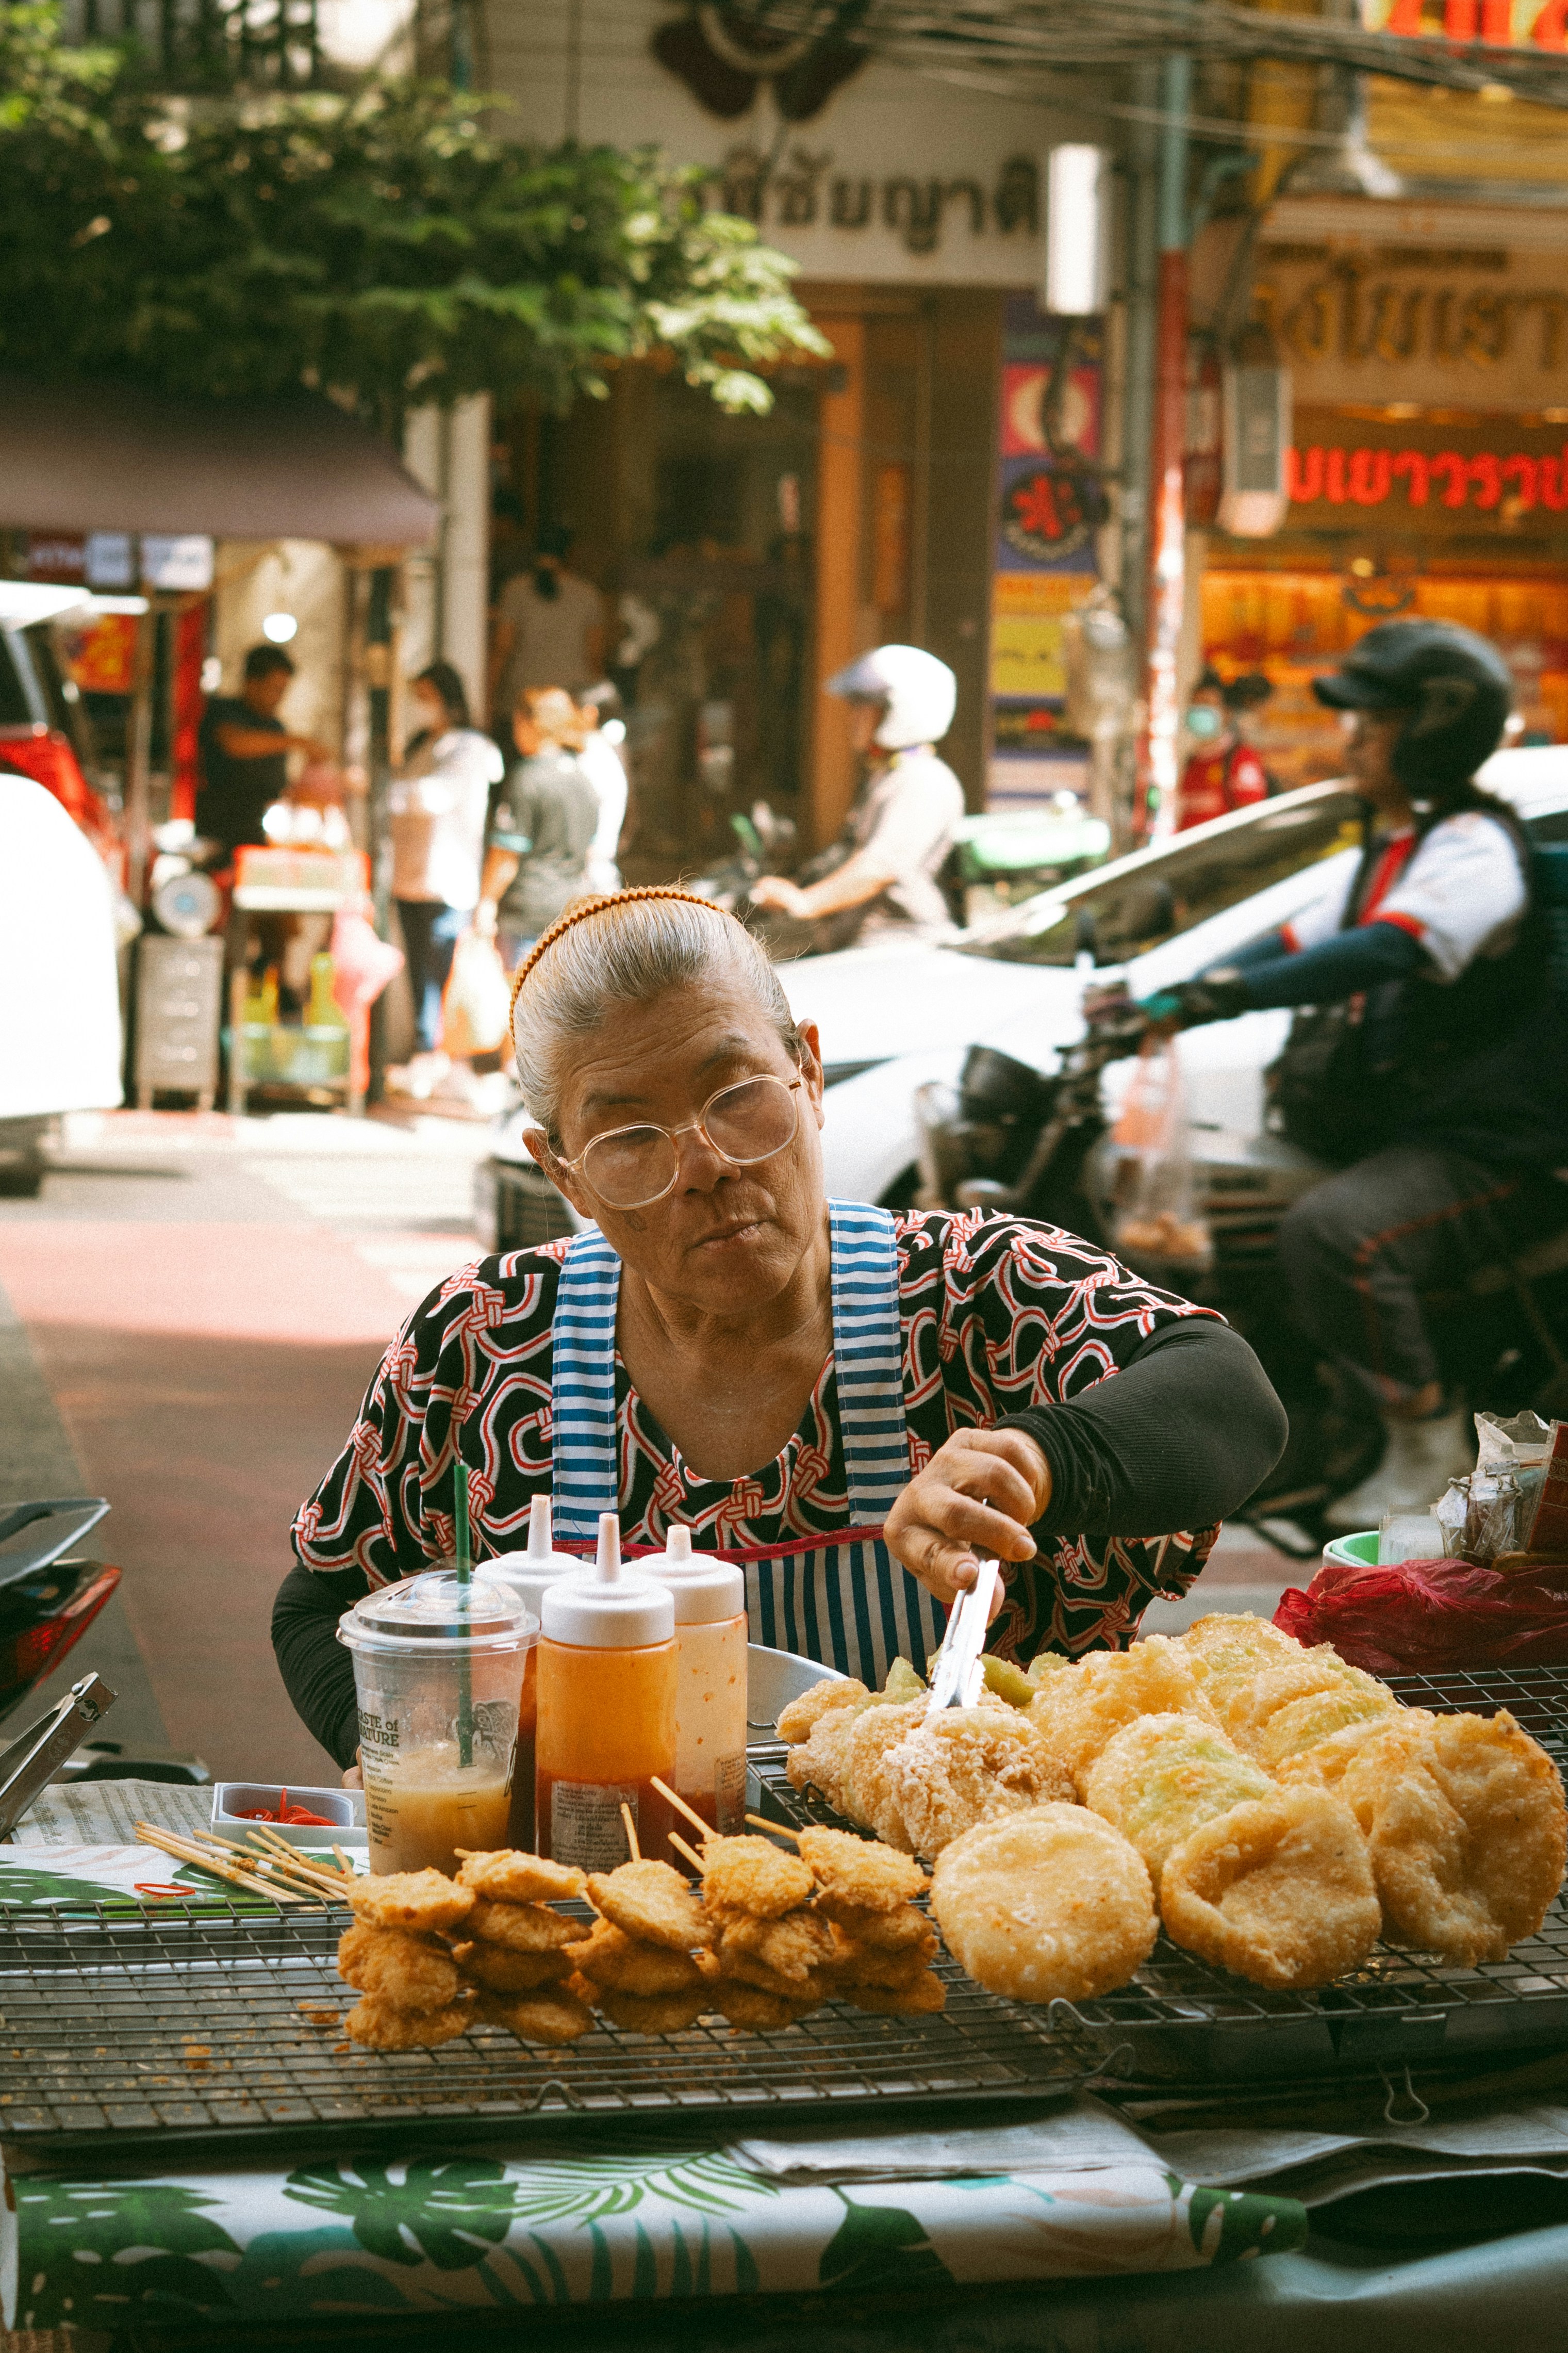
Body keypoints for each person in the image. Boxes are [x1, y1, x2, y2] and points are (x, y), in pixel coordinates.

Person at [275, 888, 1288, 1769]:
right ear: (562, 1170)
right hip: (581, 1922)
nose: (708, 1164)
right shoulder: (486, 1343)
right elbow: (323, 1604)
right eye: (630, 1136)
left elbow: (1224, 1391)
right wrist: (412, 1760)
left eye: (736, 1094)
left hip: (966, 1926)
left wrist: (1036, 1456)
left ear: (806, 1071)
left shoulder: (970, 1295)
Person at [1134, 619, 1568, 1525]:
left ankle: (1426, 1437)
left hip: (1486, 1145)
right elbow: (1296, 935)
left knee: (1334, 1231)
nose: (1352, 739)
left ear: (1432, 730)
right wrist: (1165, 989)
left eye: (1373, 722)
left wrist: (1220, 998)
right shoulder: (1393, 848)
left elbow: (1379, 949)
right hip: (1414, 1129)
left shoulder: (1475, 849)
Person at [750, 644, 965, 947]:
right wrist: (797, 884)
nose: (853, 718)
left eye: (863, 706)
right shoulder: (888, 776)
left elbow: (878, 869)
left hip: (898, 944)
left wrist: (804, 902)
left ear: (900, 711)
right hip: (860, 940)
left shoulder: (923, 780)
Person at [384, 661, 505, 1100]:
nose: (419, 706)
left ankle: (452, 1060)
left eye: (425, 696)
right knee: (420, 971)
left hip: (449, 878)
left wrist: (385, 795)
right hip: (409, 876)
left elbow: (432, 796)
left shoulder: (471, 748)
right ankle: (425, 1054)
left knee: (447, 972)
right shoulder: (421, 744)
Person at [474, 687, 600, 971]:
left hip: (526, 914)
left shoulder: (527, 778)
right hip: (571, 911)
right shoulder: (584, 780)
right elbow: (590, 852)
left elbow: (506, 856)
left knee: (521, 1003)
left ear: (531, 724)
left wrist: (486, 903)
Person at [195, 646, 332, 862]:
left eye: (283, 690)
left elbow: (279, 788)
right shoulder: (223, 711)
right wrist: (298, 742)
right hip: (217, 836)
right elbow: (234, 743)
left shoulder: (275, 728)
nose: (279, 697)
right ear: (252, 683)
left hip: (258, 837)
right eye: (274, 689)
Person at [488, 526, 605, 728]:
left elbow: (502, 648)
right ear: (570, 553)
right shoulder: (588, 595)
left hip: (522, 703)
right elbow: (594, 656)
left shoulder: (515, 590)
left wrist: (489, 695)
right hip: (570, 702)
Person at [1173, 669, 1272, 832]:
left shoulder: (1241, 758)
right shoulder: (1193, 761)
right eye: (1195, 704)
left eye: (1207, 704)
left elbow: (1252, 821)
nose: (1199, 711)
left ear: (1226, 713)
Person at [575, 680, 630, 894]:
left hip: (588, 875)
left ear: (589, 713)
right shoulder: (611, 748)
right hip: (603, 871)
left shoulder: (590, 754)